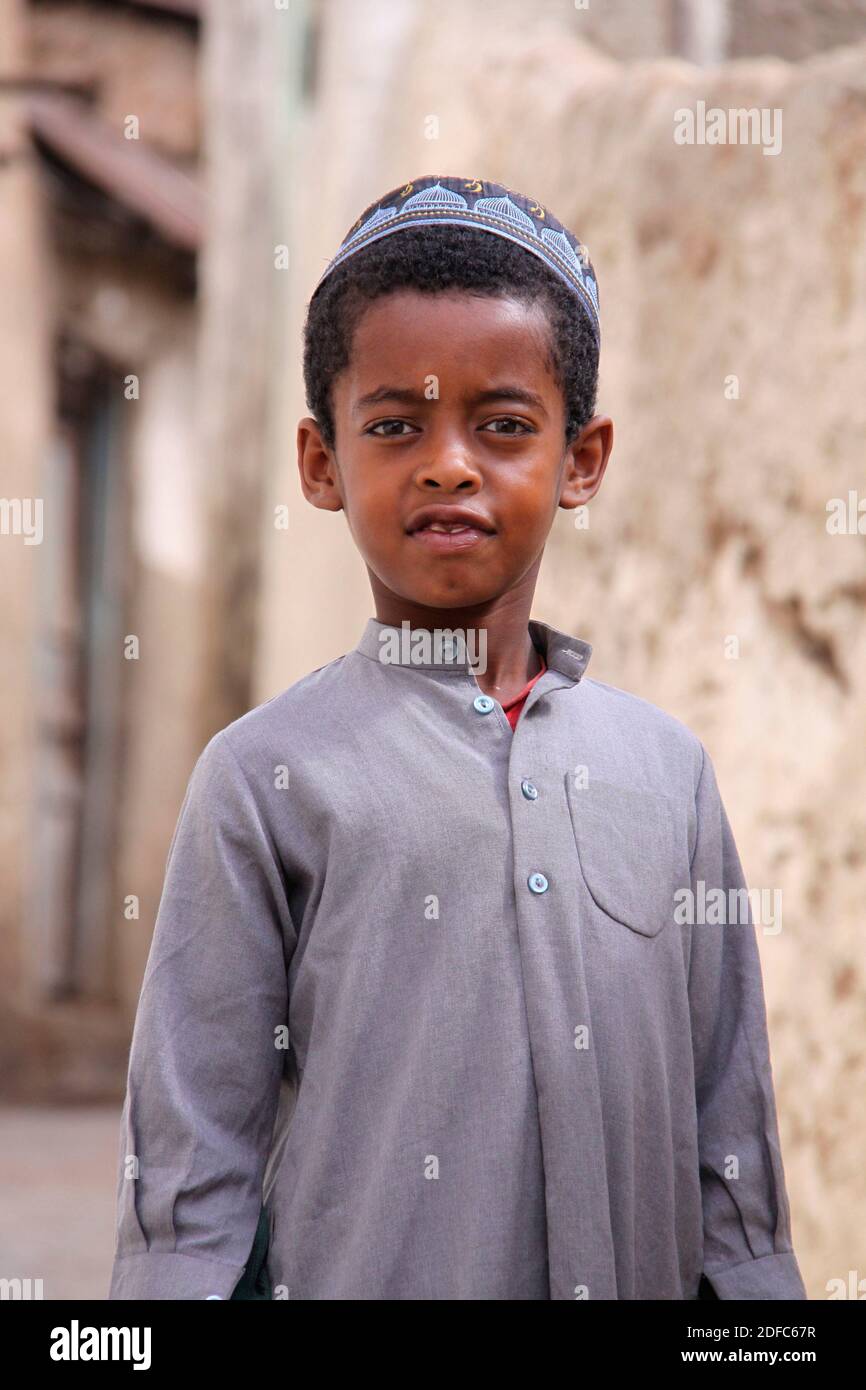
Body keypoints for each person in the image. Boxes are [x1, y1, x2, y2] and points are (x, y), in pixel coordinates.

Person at [108, 174, 807, 1300]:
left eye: (502, 426)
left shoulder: (665, 774)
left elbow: (730, 1158)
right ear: (321, 461)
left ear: (579, 459)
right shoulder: (263, 779)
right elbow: (194, 1175)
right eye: (394, 425)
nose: (447, 464)